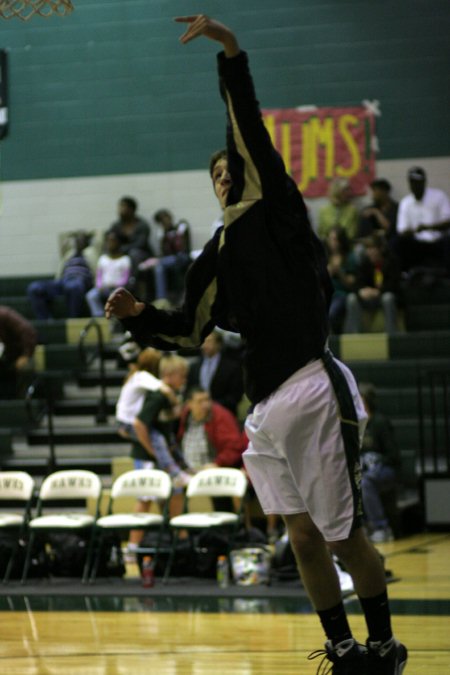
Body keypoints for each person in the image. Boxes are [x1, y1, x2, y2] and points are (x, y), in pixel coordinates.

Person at [105, 16, 407, 673]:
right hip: (265, 405)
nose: (223, 176)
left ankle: (385, 646)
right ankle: (344, 648)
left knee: (342, 535)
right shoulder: (214, 256)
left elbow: (245, 121)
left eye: (229, 166)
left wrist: (230, 51)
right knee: (300, 537)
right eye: (215, 173)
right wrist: (136, 316)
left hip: (312, 382)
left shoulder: (273, 203)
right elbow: (189, 327)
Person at [125, 353, 190, 554]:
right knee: (146, 498)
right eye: (182, 375)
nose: (184, 380)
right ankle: (132, 548)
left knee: (176, 492)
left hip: (164, 456)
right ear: (169, 375)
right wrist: (151, 451)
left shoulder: (171, 396)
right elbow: (138, 424)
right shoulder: (158, 395)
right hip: (148, 457)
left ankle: (180, 540)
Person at [359, 383, 401, 544]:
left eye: (361, 400)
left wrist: (375, 461)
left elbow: (393, 455)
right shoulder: (355, 424)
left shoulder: (380, 422)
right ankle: (359, 527)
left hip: (387, 470)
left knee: (366, 482)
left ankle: (381, 528)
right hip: (364, 469)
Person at [27, 231, 93, 320]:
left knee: (72, 287)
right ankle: (47, 323)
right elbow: (63, 239)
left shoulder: (91, 253)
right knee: (34, 288)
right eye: (76, 240)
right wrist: (72, 235)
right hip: (63, 281)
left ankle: (72, 322)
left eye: (81, 239)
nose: (78, 241)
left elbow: (99, 237)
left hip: (79, 280)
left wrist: (88, 234)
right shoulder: (68, 255)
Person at [177, 387, 246, 472]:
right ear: (189, 404)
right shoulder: (186, 416)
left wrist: (217, 463)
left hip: (212, 472)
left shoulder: (221, 416)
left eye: (207, 400)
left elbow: (235, 447)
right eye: (200, 401)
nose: (205, 405)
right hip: (187, 470)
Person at [396, 167, 450, 273]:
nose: (415, 186)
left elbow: (448, 221)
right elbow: (401, 230)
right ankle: (404, 275)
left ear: (424, 182)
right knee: (397, 242)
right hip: (417, 243)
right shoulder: (405, 203)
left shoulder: (438, 196)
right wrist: (412, 231)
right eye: (412, 182)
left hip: (438, 241)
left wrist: (428, 227)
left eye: (418, 182)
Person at [345, 234, 401, 335]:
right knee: (352, 298)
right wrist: (361, 291)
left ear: (381, 249)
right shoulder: (364, 263)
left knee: (388, 298)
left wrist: (379, 291)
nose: (370, 252)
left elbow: (394, 285)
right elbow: (356, 284)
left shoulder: (391, 262)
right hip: (368, 298)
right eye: (367, 249)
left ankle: (391, 334)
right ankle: (353, 335)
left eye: (372, 248)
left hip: (383, 296)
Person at [138, 208, 192, 304]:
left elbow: (183, 247)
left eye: (165, 218)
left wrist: (171, 235)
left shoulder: (181, 226)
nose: (164, 221)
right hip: (170, 259)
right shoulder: (162, 233)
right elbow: (165, 252)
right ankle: (161, 299)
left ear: (170, 216)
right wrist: (164, 236)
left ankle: (152, 263)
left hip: (182, 256)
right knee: (159, 267)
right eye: (161, 220)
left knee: (159, 262)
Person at [186, 330, 244, 415]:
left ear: (219, 344)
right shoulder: (194, 366)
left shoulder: (232, 367)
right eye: (203, 341)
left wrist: (210, 405)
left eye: (209, 341)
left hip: (224, 414)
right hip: (197, 414)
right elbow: (189, 390)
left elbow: (235, 397)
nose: (204, 345)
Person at [86, 231, 132, 317]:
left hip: (118, 288)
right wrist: (99, 286)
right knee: (91, 295)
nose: (110, 243)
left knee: (117, 296)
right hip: (104, 288)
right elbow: (99, 276)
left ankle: (116, 318)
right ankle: (99, 316)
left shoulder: (125, 259)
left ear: (118, 242)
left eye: (113, 241)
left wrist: (115, 285)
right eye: (108, 241)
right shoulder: (102, 259)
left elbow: (126, 278)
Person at [324, 226, 358, 335]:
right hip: (326, 294)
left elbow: (351, 282)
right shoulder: (324, 257)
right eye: (330, 239)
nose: (332, 243)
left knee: (331, 313)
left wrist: (339, 272)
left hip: (341, 294)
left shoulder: (349, 257)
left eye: (334, 239)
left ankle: (337, 338)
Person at [108, 196, 153, 277]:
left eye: (123, 206)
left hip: (142, 254)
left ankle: (132, 282)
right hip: (121, 253)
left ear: (131, 209)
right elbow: (110, 238)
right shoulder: (116, 225)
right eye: (119, 206)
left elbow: (140, 244)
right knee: (106, 255)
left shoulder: (141, 225)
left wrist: (122, 250)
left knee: (134, 254)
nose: (120, 210)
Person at [0, 305, 37, 398]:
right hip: (4, 357)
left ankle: (22, 404)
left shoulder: (4, 314)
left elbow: (28, 331)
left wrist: (26, 355)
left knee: (26, 367)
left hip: (20, 354)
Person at [358, 179, 398, 247]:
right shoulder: (369, 209)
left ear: (384, 191)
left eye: (375, 190)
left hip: (391, 243)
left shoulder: (396, 208)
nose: (373, 194)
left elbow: (390, 228)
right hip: (371, 244)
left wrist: (376, 213)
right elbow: (363, 234)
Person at [318, 178, 359, 243]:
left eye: (349, 190)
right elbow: (321, 233)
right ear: (336, 191)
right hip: (328, 246)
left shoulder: (352, 210)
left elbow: (352, 234)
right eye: (345, 190)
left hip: (346, 246)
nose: (349, 193)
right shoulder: (324, 210)